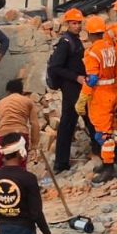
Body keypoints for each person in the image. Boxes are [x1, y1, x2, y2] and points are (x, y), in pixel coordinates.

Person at [82, 16, 117, 185]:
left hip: (100, 95)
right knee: (110, 130)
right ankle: (112, 160)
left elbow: (91, 79)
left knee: (104, 134)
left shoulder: (92, 53)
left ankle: (109, 166)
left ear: (90, 34)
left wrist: (83, 97)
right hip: (113, 90)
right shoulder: (111, 48)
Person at [47, 9, 86, 173]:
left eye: (78, 23)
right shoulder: (65, 43)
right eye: (73, 23)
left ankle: (61, 162)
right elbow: (56, 67)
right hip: (71, 87)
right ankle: (61, 163)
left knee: (68, 123)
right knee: (69, 122)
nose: (77, 26)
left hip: (76, 86)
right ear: (67, 24)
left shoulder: (75, 40)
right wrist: (76, 77)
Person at [0, 79, 41, 171]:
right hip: (20, 135)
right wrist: (34, 145)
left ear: (8, 91)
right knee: (20, 165)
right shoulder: (28, 102)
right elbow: (34, 124)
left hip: (2, 135)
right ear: (22, 91)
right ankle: (19, 183)